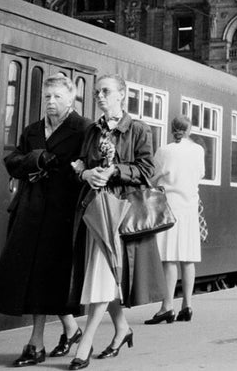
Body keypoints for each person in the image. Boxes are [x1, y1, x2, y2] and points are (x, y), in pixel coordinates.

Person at [0, 74, 89, 367]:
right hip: (31, 213)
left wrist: (61, 167)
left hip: (63, 216)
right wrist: (38, 159)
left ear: (71, 99)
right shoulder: (32, 131)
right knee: (34, 277)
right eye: (47, 97)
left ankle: (38, 343)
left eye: (57, 97)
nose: (51, 102)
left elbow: (86, 169)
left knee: (47, 278)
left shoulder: (83, 129)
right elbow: (13, 162)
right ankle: (62, 333)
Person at [67, 74, 165, 370]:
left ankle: (85, 344)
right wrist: (86, 174)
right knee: (104, 272)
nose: (99, 96)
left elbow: (147, 169)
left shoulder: (138, 129)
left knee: (104, 272)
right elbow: (81, 162)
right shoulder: (92, 130)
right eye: (97, 92)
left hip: (120, 212)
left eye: (106, 91)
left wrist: (113, 172)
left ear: (123, 95)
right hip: (96, 209)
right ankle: (122, 329)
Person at [145, 115, 205, 325]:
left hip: (169, 207)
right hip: (189, 208)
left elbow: (152, 176)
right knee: (187, 259)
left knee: (169, 259)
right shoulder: (198, 151)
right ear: (189, 129)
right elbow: (200, 174)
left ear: (172, 130)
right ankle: (187, 306)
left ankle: (167, 306)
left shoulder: (165, 151)